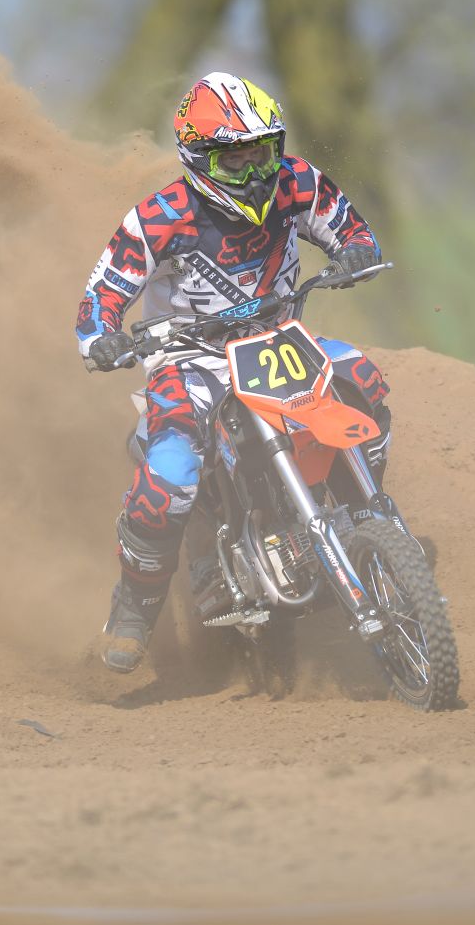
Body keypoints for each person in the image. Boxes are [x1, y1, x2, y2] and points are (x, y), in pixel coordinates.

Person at [76, 71, 390, 673]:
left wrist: (356, 251)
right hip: (189, 361)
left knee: (363, 377)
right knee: (169, 477)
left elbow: (352, 230)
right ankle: (134, 610)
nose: (254, 172)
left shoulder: (298, 182)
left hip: (281, 341)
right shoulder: (159, 218)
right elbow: (101, 297)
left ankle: (364, 522)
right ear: (199, 159)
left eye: (261, 152)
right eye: (234, 159)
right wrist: (102, 338)